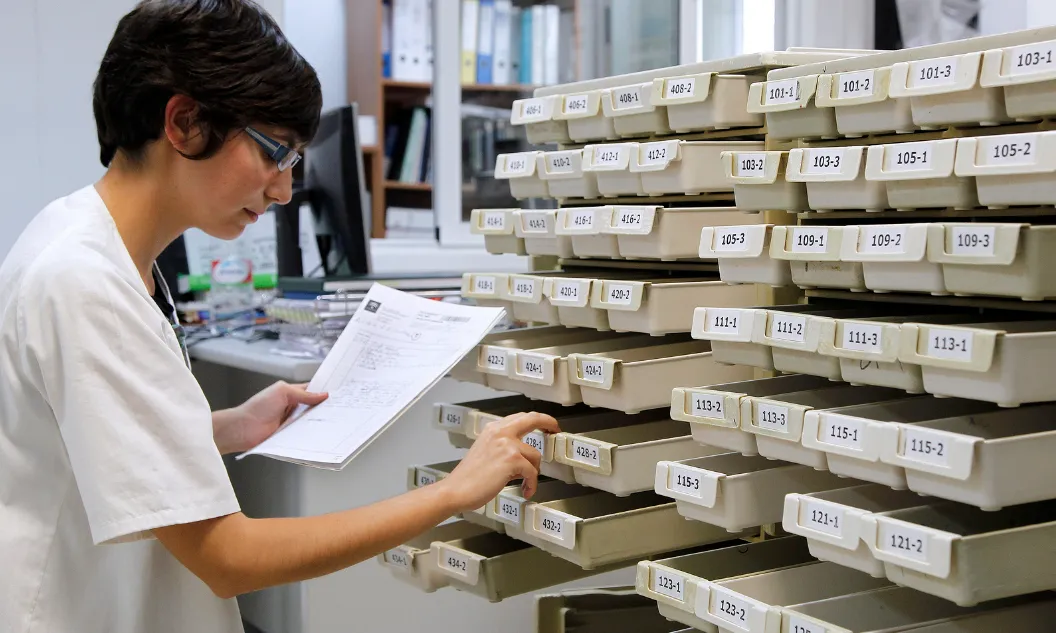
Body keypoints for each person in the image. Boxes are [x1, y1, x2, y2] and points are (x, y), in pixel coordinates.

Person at [0, 1, 558, 632]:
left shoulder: (81, 238)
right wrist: (454, 492)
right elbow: (229, 557)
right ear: (184, 123)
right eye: (275, 152)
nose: (284, 190)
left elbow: (97, 434)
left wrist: (227, 428)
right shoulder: (84, 281)